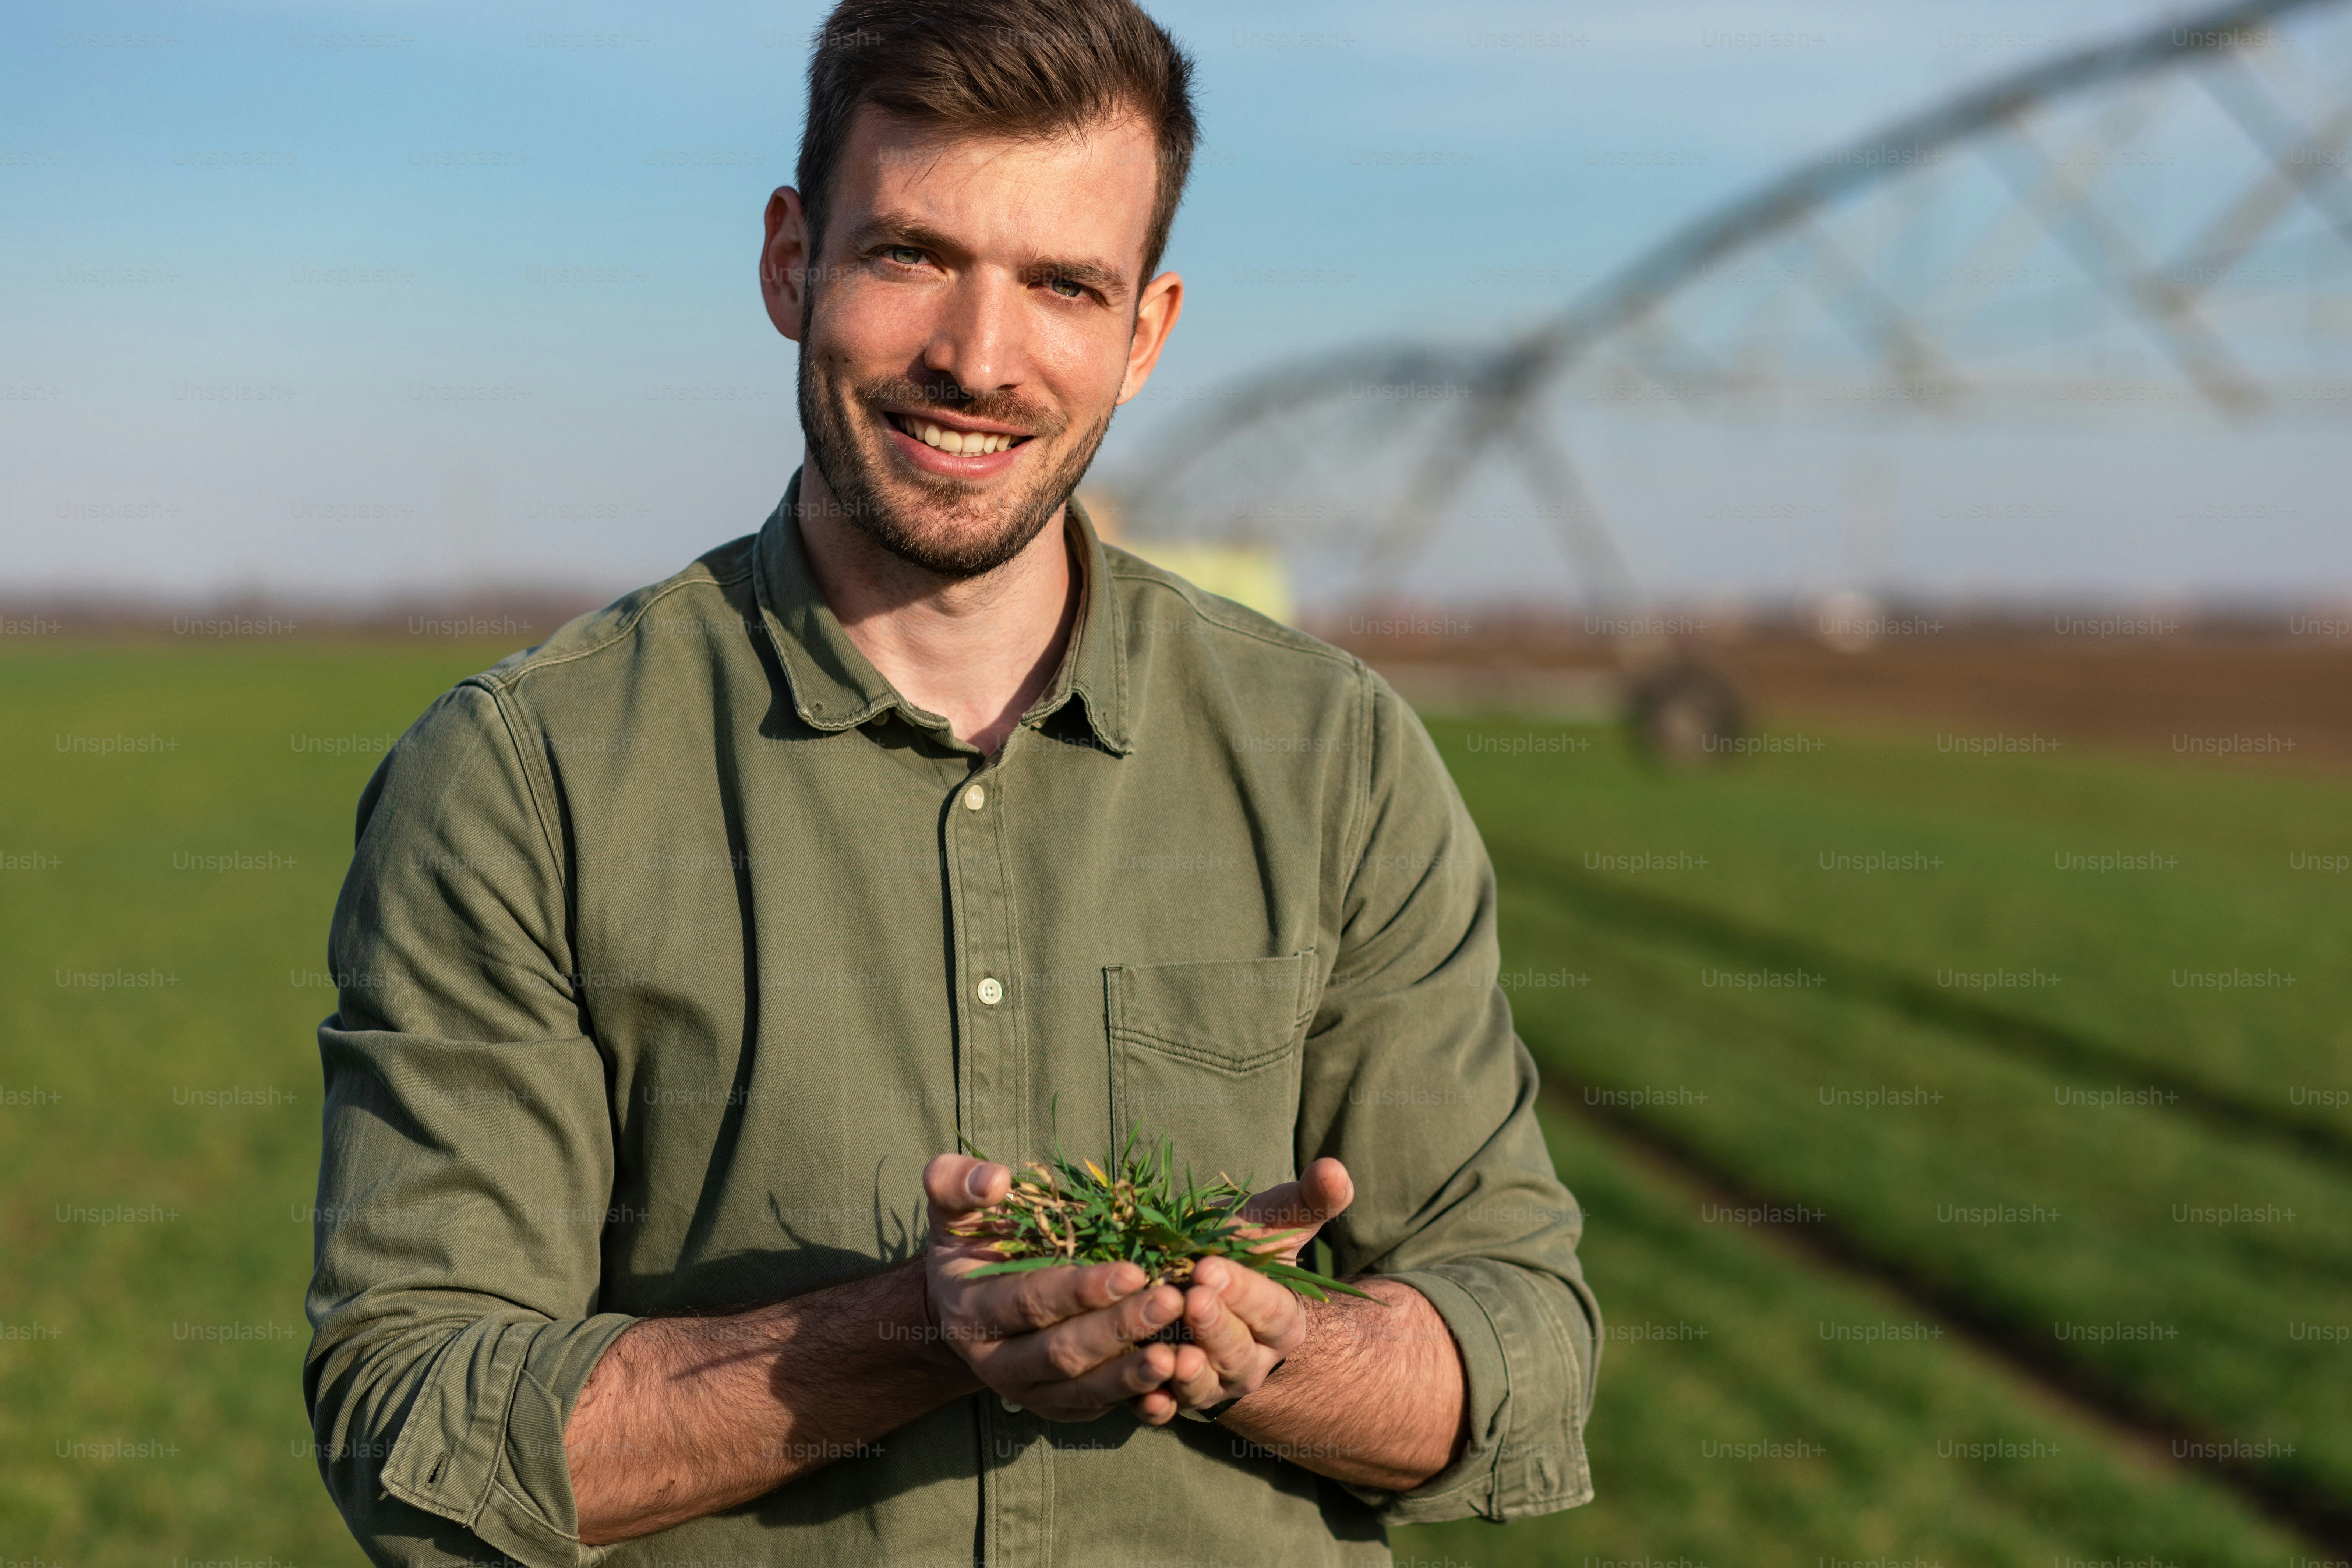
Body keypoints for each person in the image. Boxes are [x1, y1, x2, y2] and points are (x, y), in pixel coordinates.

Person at [303, 2, 1598, 1563]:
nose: (977, 362)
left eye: (1062, 284)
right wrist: (915, 1334)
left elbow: (1517, 1346)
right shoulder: (523, 780)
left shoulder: (1331, 757)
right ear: (792, 262)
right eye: (912, 256)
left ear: (1145, 332)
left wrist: (1259, 1343)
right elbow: (416, 1418)